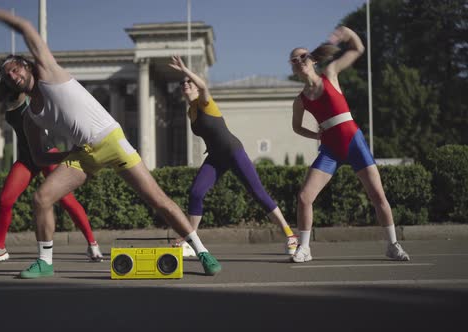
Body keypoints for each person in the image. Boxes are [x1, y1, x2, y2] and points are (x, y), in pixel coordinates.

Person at [0, 5, 221, 279]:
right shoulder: (30, 117)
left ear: (26, 65)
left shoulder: (48, 71)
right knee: (42, 198)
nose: (14, 76)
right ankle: (45, 261)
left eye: (15, 69)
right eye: (9, 76)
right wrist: (66, 156)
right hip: (84, 155)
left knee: (158, 201)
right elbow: (39, 157)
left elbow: (26, 27)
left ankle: (202, 252)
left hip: (111, 140)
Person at [289, 26, 410, 263]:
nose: (300, 60)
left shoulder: (330, 73)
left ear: (312, 60)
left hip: (354, 142)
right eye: (295, 59)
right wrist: (316, 136)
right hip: (330, 150)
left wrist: (347, 33)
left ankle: (393, 245)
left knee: (378, 196)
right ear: (293, 67)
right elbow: (296, 127)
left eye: (304, 56)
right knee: (304, 197)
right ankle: (304, 248)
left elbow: (358, 48)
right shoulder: (300, 100)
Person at [168, 56, 298, 257]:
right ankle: (191, 242)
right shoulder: (190, 112)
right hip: (216, 157)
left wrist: (185, 70)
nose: (185, 84)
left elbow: (203, 87)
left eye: (189, 82)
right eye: (182, 83)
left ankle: (290, 235)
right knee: (195, 193)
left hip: (233, 151)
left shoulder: (204, 103)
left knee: (258, 193)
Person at [0, 90, 103, 265]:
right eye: (8, 75)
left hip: (47, 154)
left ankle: (93, 244)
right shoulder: (7, 97)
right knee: (5, 200)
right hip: (26, 158)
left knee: (67, 200)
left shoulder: (32, 97)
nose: (12, 77)